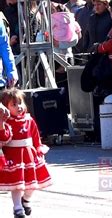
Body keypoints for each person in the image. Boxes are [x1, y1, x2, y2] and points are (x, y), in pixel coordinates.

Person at [0, 88, 52, 217]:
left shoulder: (29, 120)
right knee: (17, 185)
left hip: (29, 154)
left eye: (20, 103)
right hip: (14, 155)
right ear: (6, 108)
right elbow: (4, 138)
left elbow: (35, 136)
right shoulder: (6, 122)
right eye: (13, 104)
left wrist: (38, 148)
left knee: (32, 184)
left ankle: (26, 200)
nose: (19, 107)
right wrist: (1, 124)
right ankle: (17, 208)